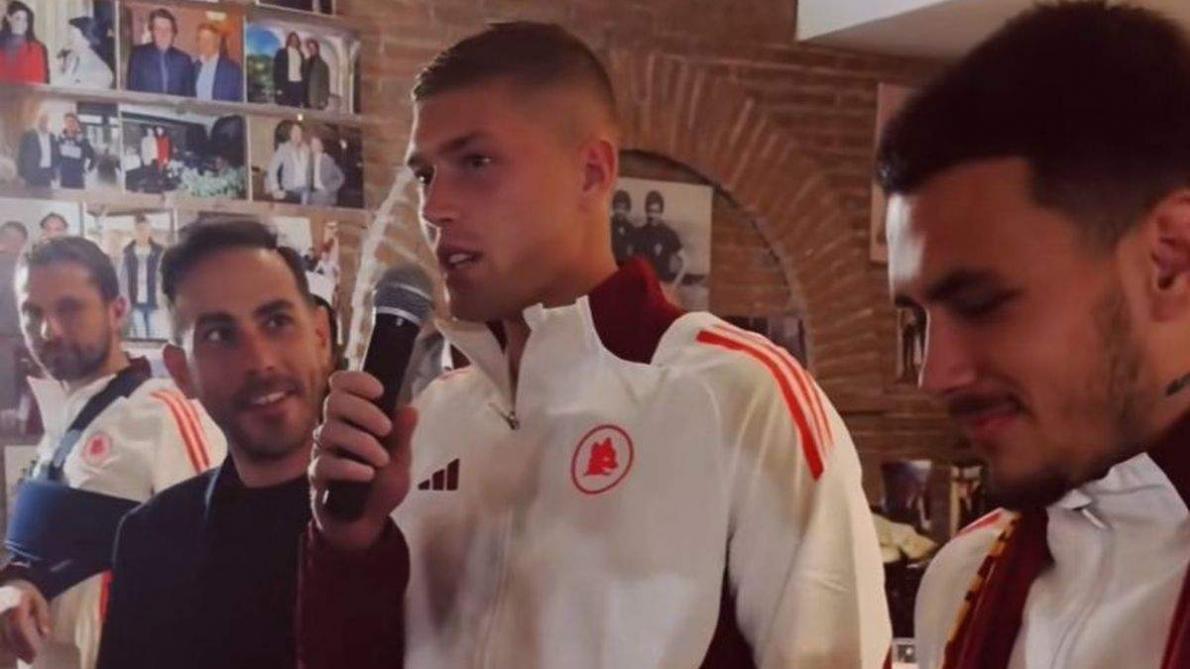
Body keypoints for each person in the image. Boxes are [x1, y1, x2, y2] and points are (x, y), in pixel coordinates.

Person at [300, 21, 890, 669]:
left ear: (591, 172)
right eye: (424, 174)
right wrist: (350, 546)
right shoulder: (433, 417)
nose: (434, 206)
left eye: (476, 162)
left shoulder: (741, 396)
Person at [877, 4, 1190, 669]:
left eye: (982, 302)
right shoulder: (962, 579)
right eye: (920, 318)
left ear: (1169, 260)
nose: (936, 374)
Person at [96, 220, 330, 669]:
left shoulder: (403, 516)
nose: (260, 361)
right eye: (220, 335)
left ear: (321, 337)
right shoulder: (153, 540)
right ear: (181, 371)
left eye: (277, 322)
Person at [0, 236, 225, 669]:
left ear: (117, 310)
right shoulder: (59, 430)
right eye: (32, 313)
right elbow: (44, 557)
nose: (48, 330)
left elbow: (219, 568)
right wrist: (15, 585)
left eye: (69, 308)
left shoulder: (162, 412)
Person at [126, 8, 192, 97]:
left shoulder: (184, 60)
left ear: (173, 33)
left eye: (167, 29)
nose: (163, 34)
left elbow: (189, 96)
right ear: (152, 32)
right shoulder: (138, 55)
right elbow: (132, 92)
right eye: (158, 29)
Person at [118, 216, 164, 340]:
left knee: (153, 335)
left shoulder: (159, 252)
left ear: (150, 231)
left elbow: (164, 275)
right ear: (134, 232)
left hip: (154, 301)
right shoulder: (127, 253)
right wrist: (125, 299)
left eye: (145, 229)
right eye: (139, 229)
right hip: (135, 302)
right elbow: (122, 278)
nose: (142, 233)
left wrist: (163, 296)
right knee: (140, 335)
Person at [0, 221, 27, 428]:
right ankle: (7, 415)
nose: (13, 243)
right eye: (8, 238)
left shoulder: (32, 266)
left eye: (18, 239)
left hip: (30, 334)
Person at [53, 16, 113, 90]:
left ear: (86, 40)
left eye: (73, 35)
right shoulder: (73, 61)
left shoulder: (101, 71)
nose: (69, 38)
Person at [190, 22, 242, 102]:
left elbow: (240, 100)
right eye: (201, 39)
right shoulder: (192, 68)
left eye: (209, 39)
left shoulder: (233, 69)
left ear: (218, 41)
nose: (204, 43)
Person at [0, 1, 47, 84]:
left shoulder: (36, 48)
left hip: (27, 91)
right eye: (18, 18)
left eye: (25, 20)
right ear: (9, 18)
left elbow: (39, 80)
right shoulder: (2, 43)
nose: (21, 23)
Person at [265, 121, 310, 203]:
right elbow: (272, 169)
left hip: (307, 190)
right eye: (294, 132)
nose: (296, 135)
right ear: (290, 134)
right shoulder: (284, 149)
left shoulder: (306, 149)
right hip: (291, 191)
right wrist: (275, 189)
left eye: (299, 132)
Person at [17, 114, 57, 188]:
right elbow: (21, 155)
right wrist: (21, 174)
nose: (44, 124)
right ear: (37, 122)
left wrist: (54, 173)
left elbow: (55, 155)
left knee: (46, 193)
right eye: (42, 121)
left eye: (46, 122)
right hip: (32, 172)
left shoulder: (52, 137)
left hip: (46, 173)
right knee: (30, 193)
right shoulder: (28, 135)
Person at [57, 113, 96, 191]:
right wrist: (58, 170)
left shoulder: (83, 140)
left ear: (76, 124)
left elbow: (93, 157)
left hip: (78, 179)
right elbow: (56, 157)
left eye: (72, 122)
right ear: (65, 124)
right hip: (64, 179)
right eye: (67, 122)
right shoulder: (60, 139)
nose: (70, 124)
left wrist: (87, 169)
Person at [305, 135, 344, 206]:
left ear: (321, 147)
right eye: (312, 144)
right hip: (310, 194)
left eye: (316, 144)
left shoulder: (328, 160)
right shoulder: (308, 161)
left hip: (323, 194)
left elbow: (340, 178)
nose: (314, 146)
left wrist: (329, 189)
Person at [272, 32, 306, 107]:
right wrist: (278, 88)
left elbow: (303, 71)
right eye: (292, 39)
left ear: (298, 41)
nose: (294, 41)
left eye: (296, 40)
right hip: (286, 84)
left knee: (296, 109)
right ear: (289, 40)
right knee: (285, 108)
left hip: (298, 85)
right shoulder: (281, 52)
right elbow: (276, 71)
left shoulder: (301, 54)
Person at [303, 38, 330, 110]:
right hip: (305, 98)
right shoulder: (305, 63)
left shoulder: (323, 65)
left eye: (313, 47)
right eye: (309, 48)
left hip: (316, 99)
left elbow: (325, 84)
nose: (311, 49)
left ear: (317, 49)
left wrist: (323, 100)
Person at [609, 188, 635, 264]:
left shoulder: (631, 229)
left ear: (627, 209)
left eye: (623, 208)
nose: (620, 211)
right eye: (618, 207)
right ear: (614, 207)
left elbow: (631, 253)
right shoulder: (607, 225)